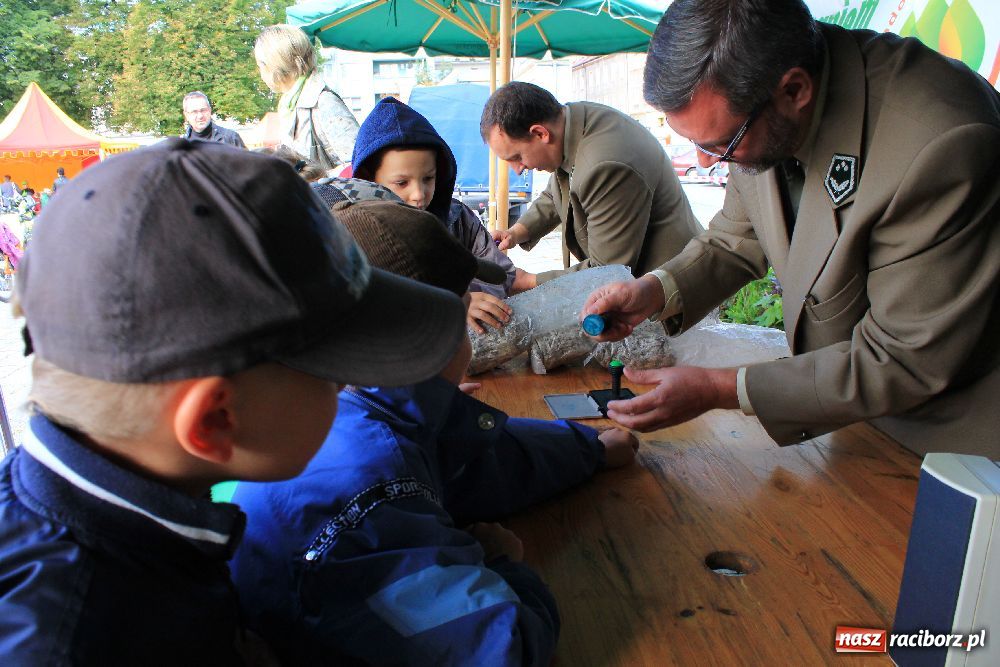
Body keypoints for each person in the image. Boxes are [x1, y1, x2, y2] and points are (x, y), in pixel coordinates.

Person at [0, 138, 467, 662]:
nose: (350, 385)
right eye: (336, 371)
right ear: (216, 420)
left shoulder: (135, 509)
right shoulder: (75, 643)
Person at [581, 0, 1000, 458]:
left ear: (794, 89)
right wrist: (656, 290)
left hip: (952, 440)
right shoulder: (763, 107)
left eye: (720, 144)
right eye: (694, 144)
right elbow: (738, 236)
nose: (705, 162)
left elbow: (902, 358)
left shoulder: (939, 142)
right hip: (849, 409)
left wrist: (722, 388)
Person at [230, 199, 639, 666]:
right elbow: (505, 651)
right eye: (464, 314)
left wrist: (587, 447)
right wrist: (504, 562)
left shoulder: (355, 411)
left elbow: (476, 458)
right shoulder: (380, 496)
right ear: (431, 339)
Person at [481, 82, 702, 290]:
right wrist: (516, 232)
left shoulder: (606, 166)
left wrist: (527, 281)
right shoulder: (570, 122)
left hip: (670, 287)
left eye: (517, 157)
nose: (518, 169)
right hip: (642, 278)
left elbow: (607, 272)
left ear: (540, 133)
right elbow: (556, 192)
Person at [353, 96, 535, 332]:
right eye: (401, 182)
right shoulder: (355, 233)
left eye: (428, 178)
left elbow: (501, 274)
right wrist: (455, 302)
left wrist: (473, 296)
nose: (419, 194)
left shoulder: (460, 219)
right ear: (369, 178)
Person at [255, 24, 359, 172]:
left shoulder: (323, 102)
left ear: (276, 64)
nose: (260, 73)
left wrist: (315, 179)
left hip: (324, 195)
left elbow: (358, 165)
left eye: (261, 65)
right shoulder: (288, 105)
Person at [181, 91, 246, 148]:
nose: (200, 116)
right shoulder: (182, 145)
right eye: (194, 112)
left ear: (210, 110)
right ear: (186, 115)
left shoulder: (231, 138)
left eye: (203, 110)